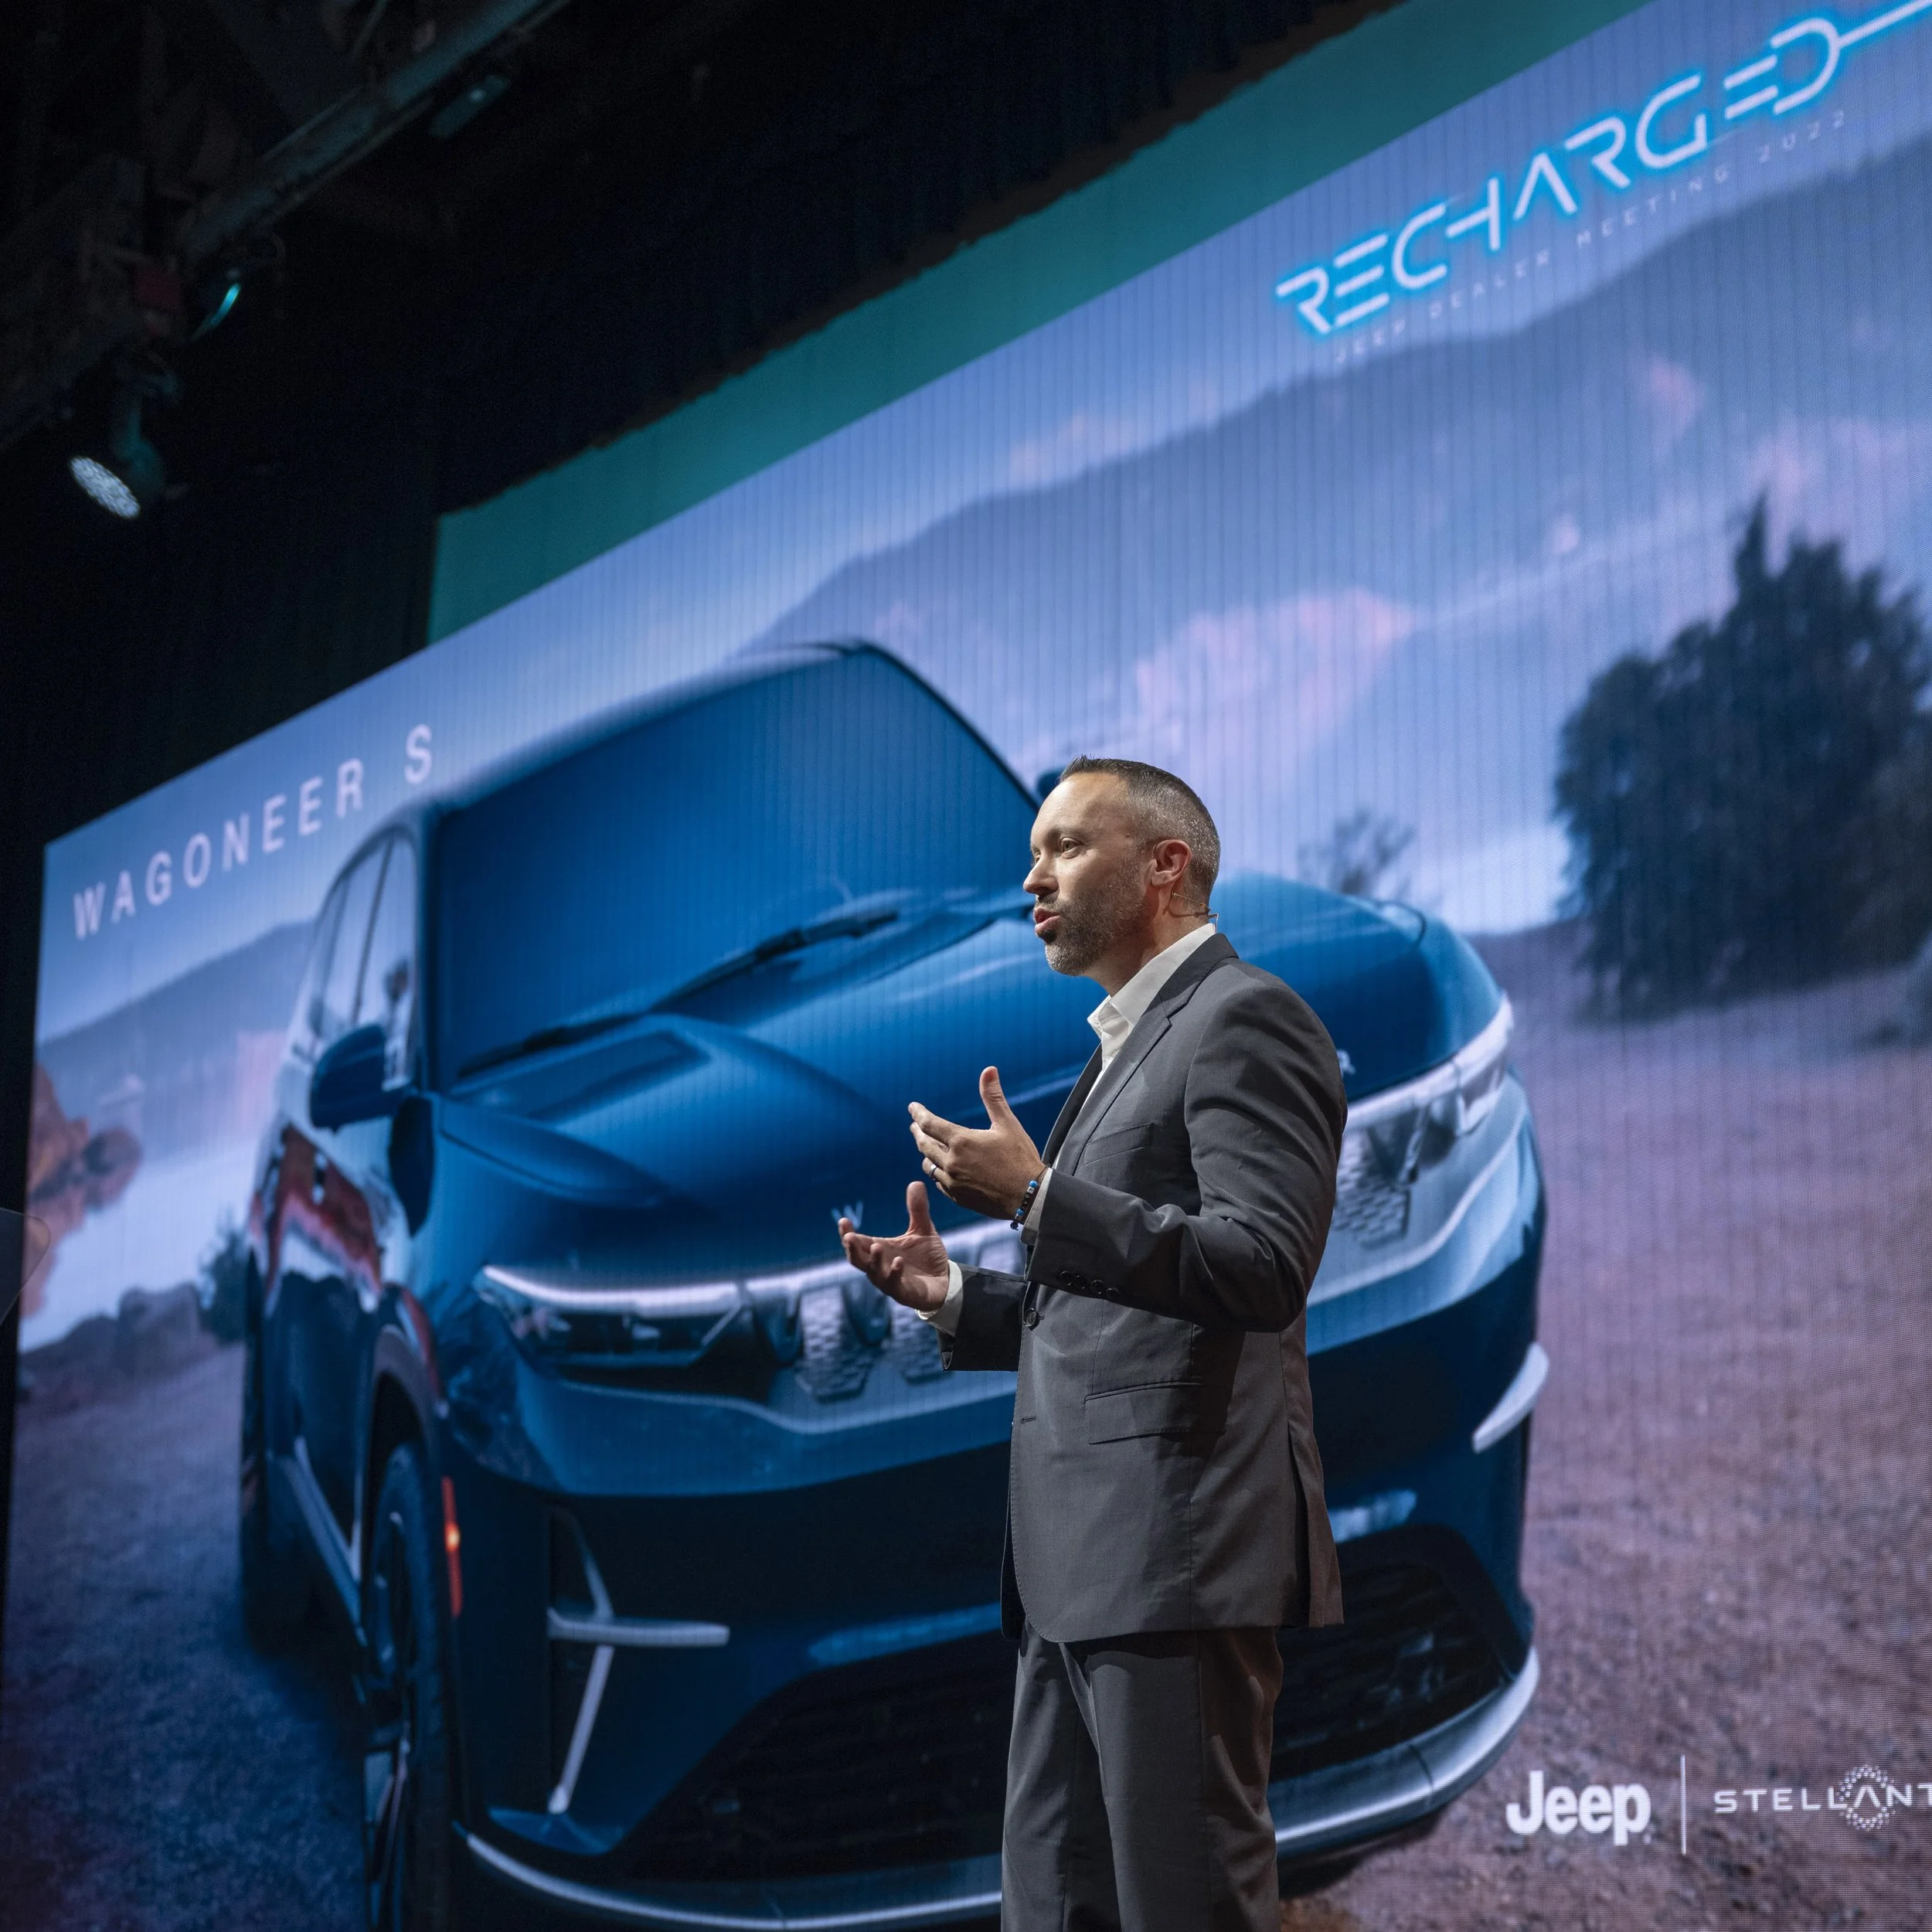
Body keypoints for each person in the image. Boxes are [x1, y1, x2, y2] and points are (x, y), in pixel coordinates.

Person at [840, 756, 1347, 1932]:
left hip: (1173, 1563)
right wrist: (955, 1295)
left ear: (1166, 864)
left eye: (1066, 846)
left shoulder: (1245, 1017)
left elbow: (1261, 1267)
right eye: (1035, 853)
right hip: (1071, 1577)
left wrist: (1035, 1201)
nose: (1033, 876)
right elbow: (1107, 1307)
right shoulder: (1125, 1047)